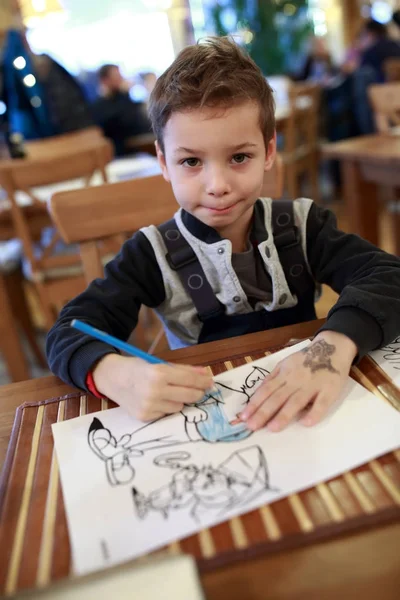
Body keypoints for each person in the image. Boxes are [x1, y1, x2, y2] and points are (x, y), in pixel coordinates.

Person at [46, 37, 400, 435]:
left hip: (309, 419)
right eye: (191, 161)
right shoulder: (151, 255)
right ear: (164, 163)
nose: (217, 185)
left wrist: (332, 347)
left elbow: (389, 276)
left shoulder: (304, 226)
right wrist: (116, 375)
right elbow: (69, 332)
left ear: (268, 153)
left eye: (238, 157)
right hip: (212, 425)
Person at [91, 63, 152, 156]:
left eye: (120, 75)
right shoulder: (99, 105)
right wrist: (124, 94)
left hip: (139, 144)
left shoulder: (123, 97)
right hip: (120, 152)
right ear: (105, 80)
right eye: (116, 76)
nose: (121, 79)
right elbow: (123, 123)